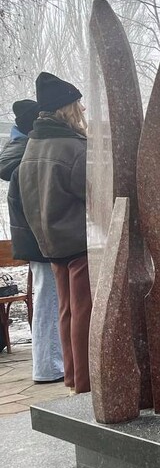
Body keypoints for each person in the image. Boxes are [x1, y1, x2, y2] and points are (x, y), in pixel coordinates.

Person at [19, 73, 91, 394]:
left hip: (50, 243)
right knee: (83, 313)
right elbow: (96, 193)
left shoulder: (33, 145)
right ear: (67, 109)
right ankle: (88, 382)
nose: (84, 110)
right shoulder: (73, 148)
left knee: (66, 311)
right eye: (79, 105)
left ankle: (74, 378)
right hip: (79, 242)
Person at [0, 99, 63, 383]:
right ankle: (49, 366)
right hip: (42, 238)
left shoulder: (19, 151)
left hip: (38, 236)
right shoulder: (25, 153)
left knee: (51, 299)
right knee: (50, 300)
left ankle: (50, 363)